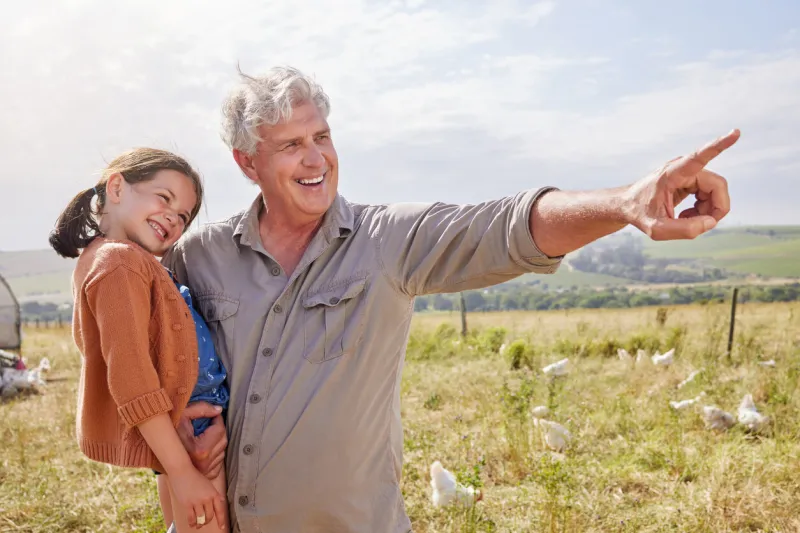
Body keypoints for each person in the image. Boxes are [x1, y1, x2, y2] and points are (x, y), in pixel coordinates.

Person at [165, 66, 740, 532]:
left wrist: (624, 203)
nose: (316, 159)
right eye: (292, 145)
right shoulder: (200, 256)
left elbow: (505, 227)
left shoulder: (385, 241)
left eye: (322, 137)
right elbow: (144, 355)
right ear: (247, 162)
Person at [49, 148, 230, 532]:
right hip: (192, 430)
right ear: (117, 188)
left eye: (184, 216)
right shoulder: (119, 262)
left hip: (177, 424)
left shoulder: (109, 258)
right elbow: (131, 378)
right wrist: (182, 471)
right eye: (164, 198)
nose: (173, 218)